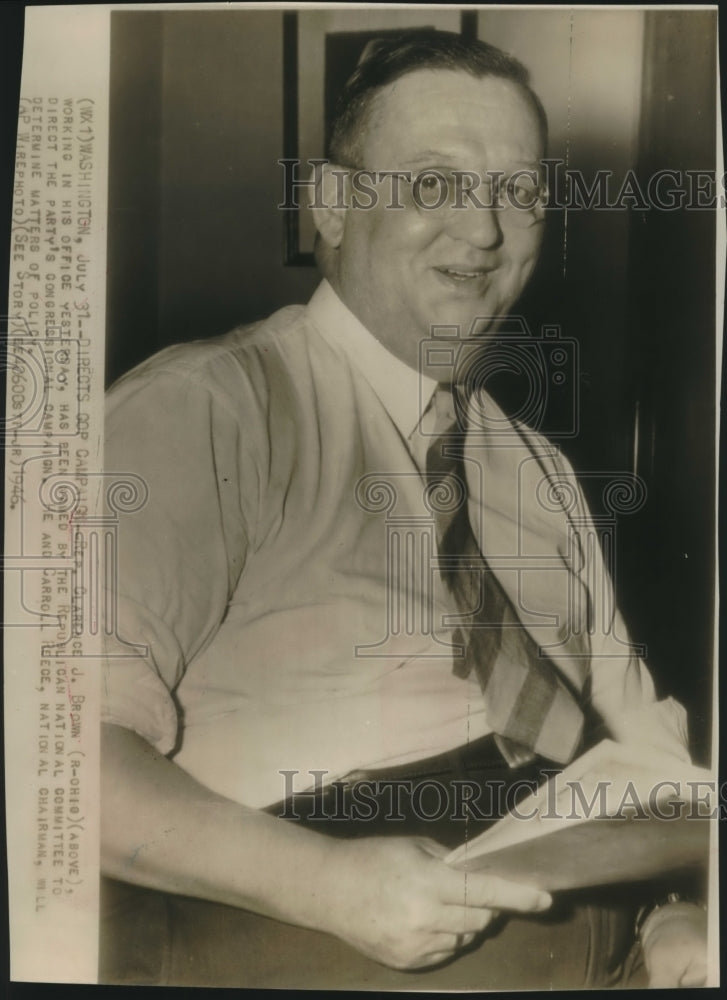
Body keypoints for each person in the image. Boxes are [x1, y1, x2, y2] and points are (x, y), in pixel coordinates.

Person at [99, 30, 708, 989]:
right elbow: (50, 761)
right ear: (331, 204)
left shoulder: (539, 471)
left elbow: (642, 758)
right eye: (434, 184)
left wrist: (675, 910)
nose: (485, 231)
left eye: (519, 192)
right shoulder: (204, 412)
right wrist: (325, 884)